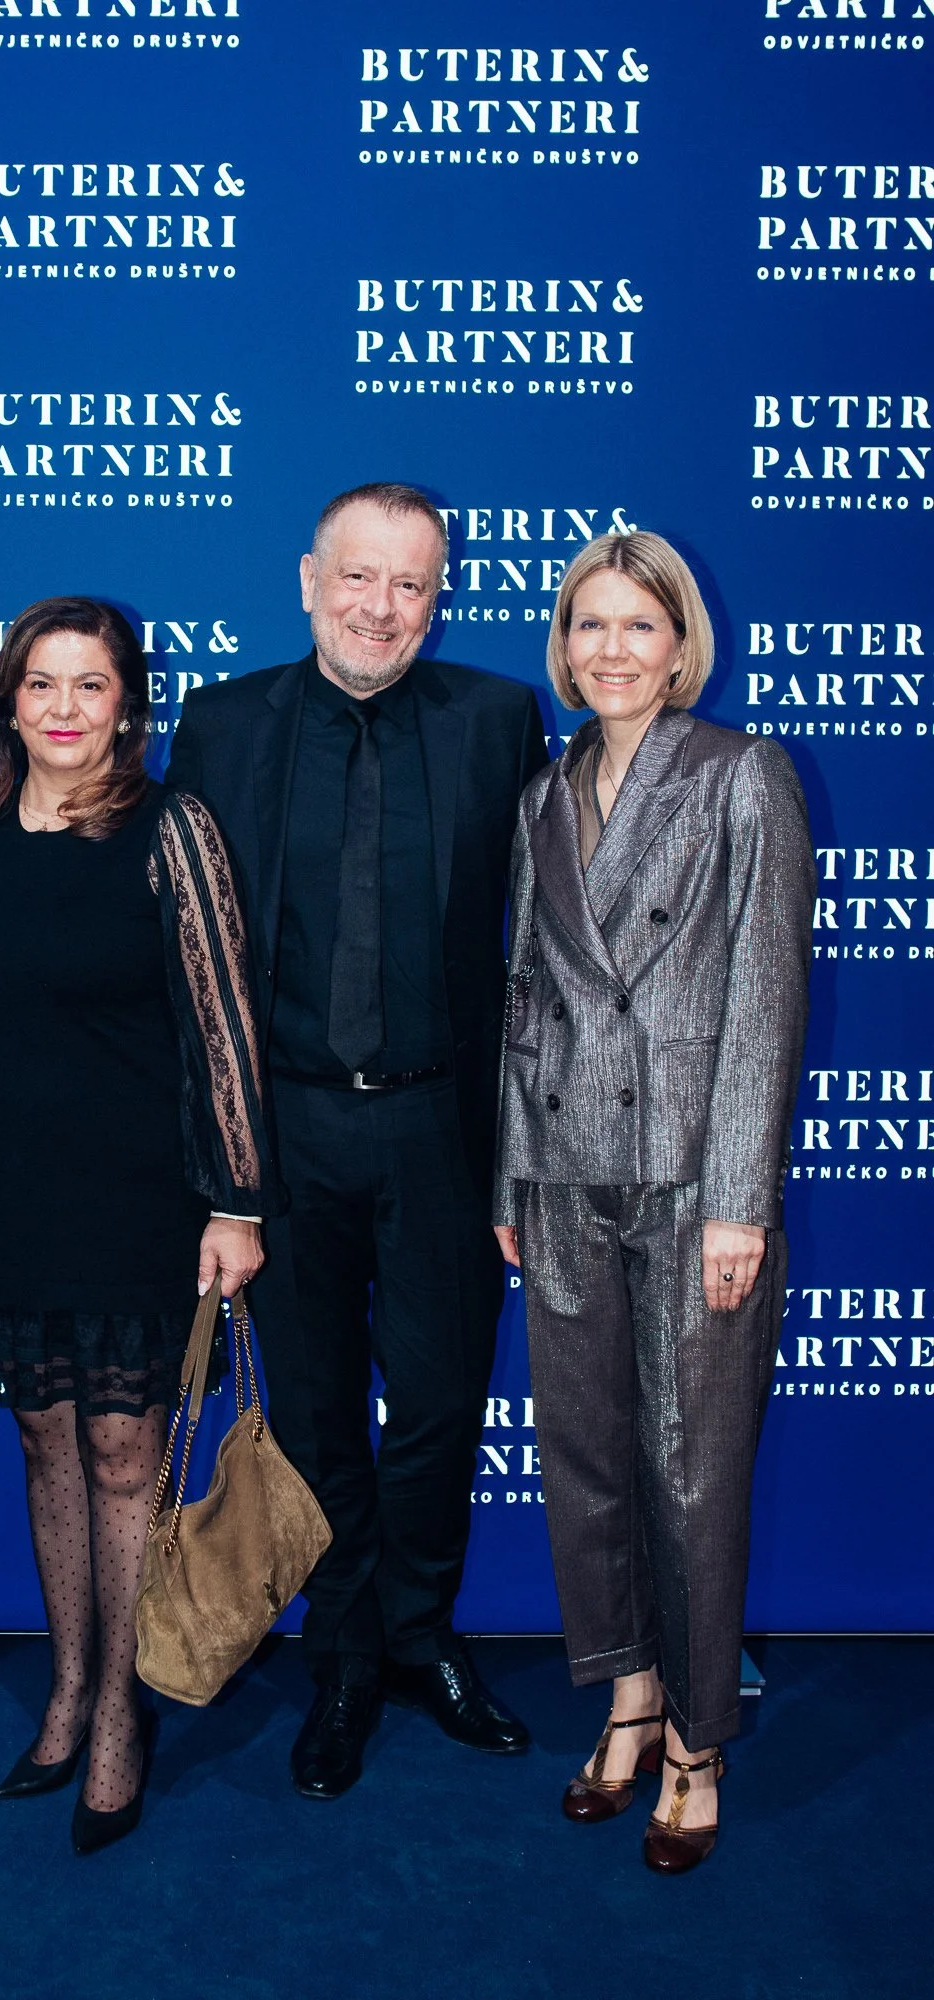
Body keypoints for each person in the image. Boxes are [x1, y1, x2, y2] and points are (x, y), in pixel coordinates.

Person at [0, 596, 280, 1855]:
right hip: (11, 1193)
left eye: (88, 685)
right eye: (39, 684)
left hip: (138, 1195)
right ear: (8, 702)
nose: (62, 706)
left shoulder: (173, 830)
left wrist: (233, 1198)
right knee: (48, 1448)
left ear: (126, 704)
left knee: (122, 1456)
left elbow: (222, 1023)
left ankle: (117, 1710)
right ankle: (62, 1682)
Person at [165, 484, 548, 1799]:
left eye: (413, 585)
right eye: (361, 579)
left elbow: (541, 943)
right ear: (308, 579)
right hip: (287, 1130)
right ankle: (340, 1658)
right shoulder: (220, 724)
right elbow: (189, 959)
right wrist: (224, 1175)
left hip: (445, 1123)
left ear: (438, 598)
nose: (384, 608)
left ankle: (421, 1639)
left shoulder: (498, 722)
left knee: (441, 1406)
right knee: (319, 1414)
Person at [492, 530, 814, 1874]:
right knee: (586, 1456)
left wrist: (742, 1200)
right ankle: (625, 1695)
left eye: (636, 626)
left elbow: (764, 1005)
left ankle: (697, 1737)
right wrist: (512, 1168)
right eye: (588, 627)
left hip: (692, 1179)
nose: (609, 650)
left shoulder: (743, 776)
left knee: (691, 1470)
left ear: (681, 645)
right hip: (562, 1175)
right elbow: (523, 996)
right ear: (562, 649)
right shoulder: (543, 794)